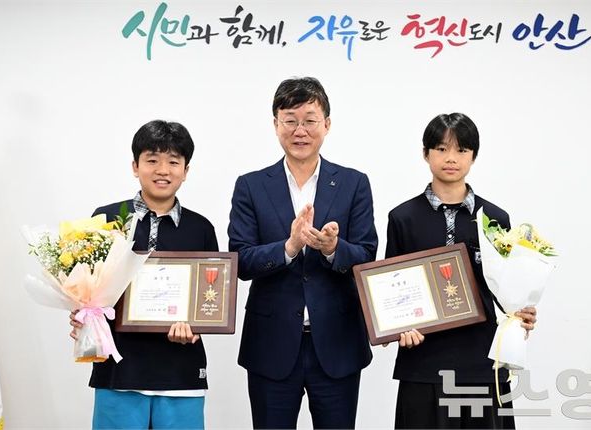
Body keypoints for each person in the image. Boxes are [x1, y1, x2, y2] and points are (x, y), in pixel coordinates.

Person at [228, 77, 378, 429]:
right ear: (275, 124)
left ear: (327, 124)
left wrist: (332, 248)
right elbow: (240, 261)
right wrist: (289, 247)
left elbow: (367, 256)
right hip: (271, 345)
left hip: (337, 344)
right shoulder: (251, 185)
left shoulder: (354, 183)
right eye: (290, 120)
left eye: (310, 120)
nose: (300, 130)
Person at [385, 113, 537, 429]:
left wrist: (520, 313)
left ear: (473, 156)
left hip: (482, 360)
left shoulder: (494, 218)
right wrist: (398, 328)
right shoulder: (403, 218)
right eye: (441, 149)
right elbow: (392, 290)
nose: (451, 158)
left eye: (461, 150)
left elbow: (506, 288)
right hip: (423, 361)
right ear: (425, 153)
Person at [70, 120, 218, 429]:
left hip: (181, 375)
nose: (163, 170)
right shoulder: (106, 219)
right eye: (152, 160)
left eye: (173, 162)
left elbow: (210, 302)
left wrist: (197, 326)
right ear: (135, 166)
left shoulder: (201, 228)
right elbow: (86, 288)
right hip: (119, 373)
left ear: (186, 170)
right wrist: (85, 315)